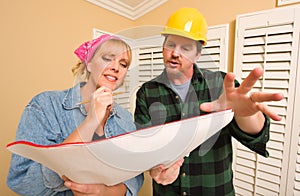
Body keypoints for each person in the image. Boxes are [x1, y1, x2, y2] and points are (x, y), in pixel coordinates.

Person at [134, 7, 283, 195]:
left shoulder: (221, 84)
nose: (175, 53)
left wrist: (248, 114)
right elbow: (144, 145)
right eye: (171, 45)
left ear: (197, 55)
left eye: (185, 48)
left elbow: (254, 134)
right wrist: (154, 168)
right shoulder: (147, 92)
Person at [7, 34, 143, 196]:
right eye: (108, 58)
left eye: (123, 64)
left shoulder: (126, 118)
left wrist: (105, 192)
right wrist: (91, 121)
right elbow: (22, 182)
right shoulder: (45, 105)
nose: (116, 67)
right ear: (89, 63)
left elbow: (134, 177)